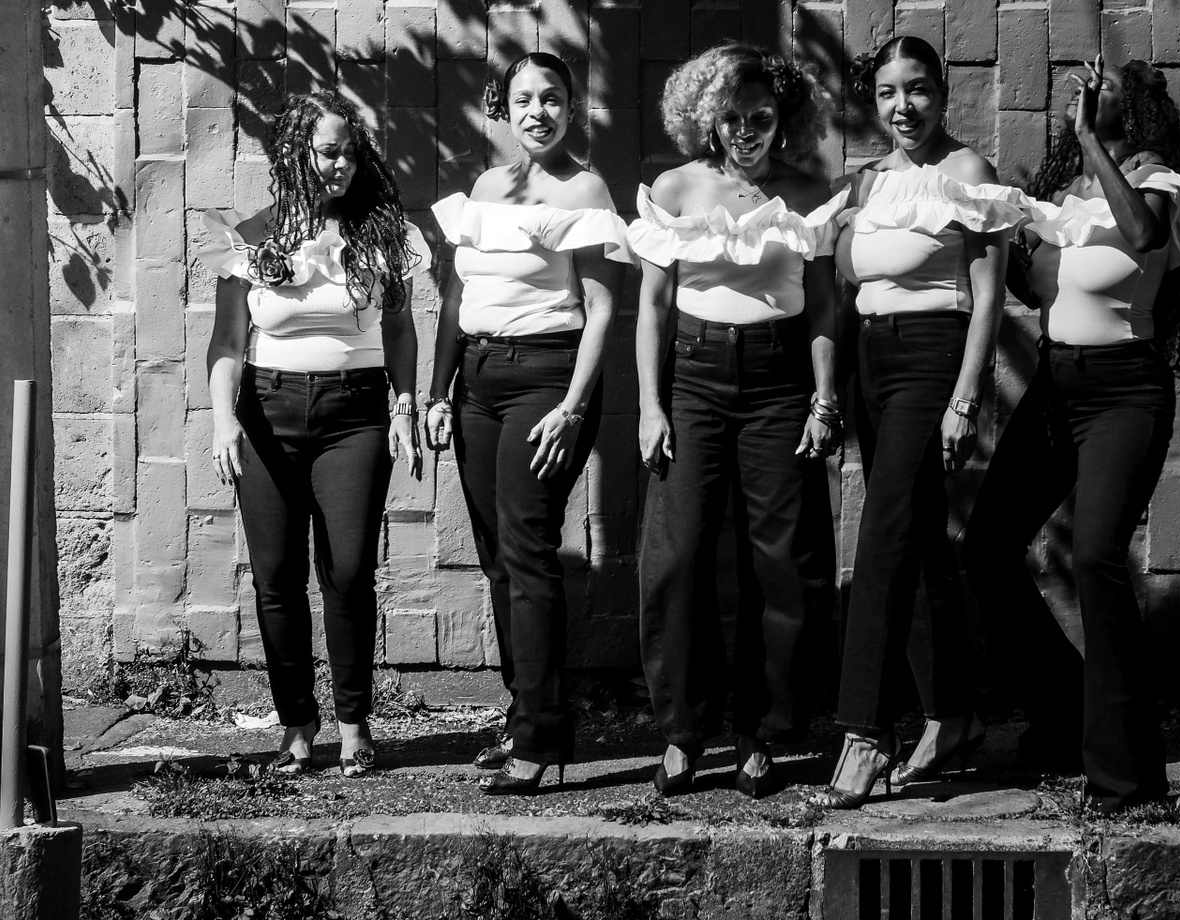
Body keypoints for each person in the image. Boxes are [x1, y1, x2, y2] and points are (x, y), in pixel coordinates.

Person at [965, 56, 1180, 812]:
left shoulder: (1159, 183)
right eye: (1080, 87)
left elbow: (1141, 235)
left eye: (1102, 84)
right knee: (985, 545)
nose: (1083, 88)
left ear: (1133, 108)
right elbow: (1037, 288)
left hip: (1124, 392)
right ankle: (1065, 712)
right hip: (1056, 386)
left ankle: (1125, 774)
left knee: (1098, 561)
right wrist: (1006, 234)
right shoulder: (1066, 200)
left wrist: (1086, 143)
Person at [813, 35, 1030, 809]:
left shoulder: (967, 172)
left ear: (942, 91)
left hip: (932, 358)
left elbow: (989, 292)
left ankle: (865, 732)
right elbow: (843, 287)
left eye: (917, 89)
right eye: (886, 92)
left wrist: (966, 398)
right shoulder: (866, 183)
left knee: (881, 541)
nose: (902, 106)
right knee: (920, 542)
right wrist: (831, 388)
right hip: (871, 360)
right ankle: (953, 715)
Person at [630, 43, 844, 800]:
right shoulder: (676, 187)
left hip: (781, 385)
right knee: (678, 555)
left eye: (761, 117)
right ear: (706, 118)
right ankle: (682, 731)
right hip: (693, 380)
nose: (745, 131)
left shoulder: (806, 191)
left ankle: (761, 731)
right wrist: (651, 404)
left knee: (782, 560)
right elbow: (653, 305)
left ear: (785, 119)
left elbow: (823, 305)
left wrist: (824, 399)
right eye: (731, 117)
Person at [202, 91, 431, 778]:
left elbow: (399, 330)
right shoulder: (252, 237)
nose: (342, 165)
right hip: (267, 413)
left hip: (354, 414)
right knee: (276, 576)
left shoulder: (382, 235)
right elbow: (227, 342)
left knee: (350, 571)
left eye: (351, 154)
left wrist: (405, 405)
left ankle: (355, 723)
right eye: (329, 152)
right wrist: (221, 420)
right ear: (295, 152)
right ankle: (298, 725)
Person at [421, 52, 632, 793]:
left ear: (572, 108)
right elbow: (455, 299)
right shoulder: (485, 188)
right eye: (523, 100)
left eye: (551, 99)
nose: (537, 112)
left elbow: (602, 308)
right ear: (503, 108)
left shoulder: (586, 190)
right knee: (497, 559)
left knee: (528, 550)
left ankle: (542, 740)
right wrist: (437, 392)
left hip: (548, 380)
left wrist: (573, 408)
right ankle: (522, 714)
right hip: (476, 382)